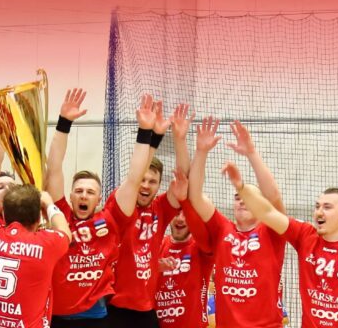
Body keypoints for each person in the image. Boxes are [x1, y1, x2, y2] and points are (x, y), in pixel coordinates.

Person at [223, 162, 338, 328]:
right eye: (317, 206)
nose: (319, 212)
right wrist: (241, 188)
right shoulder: (305, 235)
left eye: (327, 207)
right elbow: (268, 212)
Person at [45, 90, 159, 327]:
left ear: (99, 199)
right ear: (70, 196)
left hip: (96, 317)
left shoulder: (111, 220)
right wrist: (64, 123)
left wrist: (145, 131)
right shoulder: (60, 216)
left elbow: (134, 178)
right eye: (78, 191)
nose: (83, 195)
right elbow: (54, 168)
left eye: (90, 192)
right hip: (57, 317)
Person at [0, 120, 71, 328]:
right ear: (38, 219)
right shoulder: (45, 244)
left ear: (5, 214)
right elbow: (65, 232)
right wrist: (49, 204)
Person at [187, 117, 287, 328]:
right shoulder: (222, 228)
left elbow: (274, 196)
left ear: (261, 205)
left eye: (248, 197)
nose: (242, 200)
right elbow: (194, 196)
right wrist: (201, 152)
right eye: (237, 197)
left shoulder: (272, 231)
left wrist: (251, 153)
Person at [107, 100, 192, 328]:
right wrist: (150, 134)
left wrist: (179, 139)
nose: (145, 185)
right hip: (115, 308)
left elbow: (183, 179)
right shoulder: (120, 203)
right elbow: (134, 178)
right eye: (143, 180)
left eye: (152, 181)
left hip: (146, 309)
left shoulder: (160, 208)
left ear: (159, 185)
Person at [154, 207, 214, 327]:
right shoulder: (157, 245)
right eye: (176, 213)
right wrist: (154, 267)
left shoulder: (201, 248)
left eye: (185, 214)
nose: (180, 219)